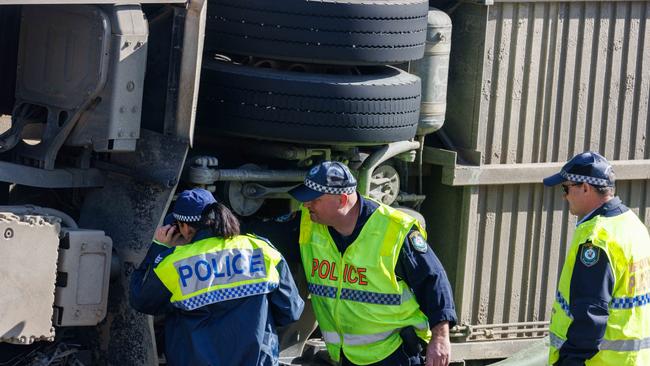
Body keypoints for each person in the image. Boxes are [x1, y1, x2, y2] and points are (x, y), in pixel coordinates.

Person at [251, 161, 457, 366]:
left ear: (341, 200)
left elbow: (433, 279)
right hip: (345, 357)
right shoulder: (308, 224)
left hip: (395, 354)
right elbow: (260, 234)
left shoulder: (395, 231)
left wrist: (440, 337)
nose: (307, 205)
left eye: (315, 199)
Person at [129, 188, 304, 366]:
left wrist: (159, 247)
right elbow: (290, 311)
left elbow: (141, 300)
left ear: (185, 227)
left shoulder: (174, 263)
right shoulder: (261, 249)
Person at [543, 151, 650, 365]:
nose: (564, 196)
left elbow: (590, 315)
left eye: (566, 188)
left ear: (585, 187)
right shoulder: (632, 224)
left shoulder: (597, 239)